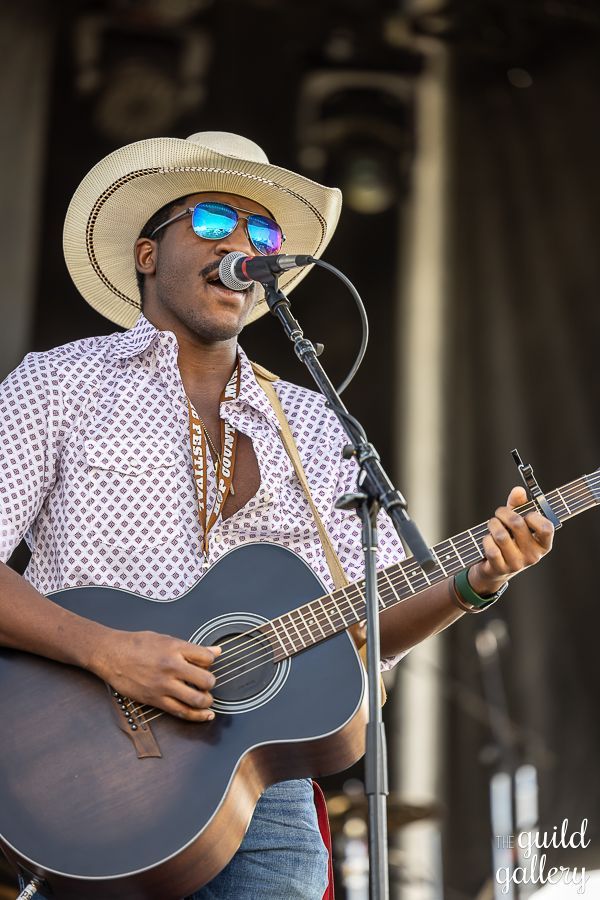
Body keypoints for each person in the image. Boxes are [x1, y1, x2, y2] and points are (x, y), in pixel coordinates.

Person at [0, 131, 554, 899]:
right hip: (87, 770)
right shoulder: (60, 384)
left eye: (262, 233)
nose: (243, 245)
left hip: (264, 792)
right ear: (148, 253)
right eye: (214, 222)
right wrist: (107, 650)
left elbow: (363, 617)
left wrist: (476, 581)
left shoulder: (315, 422)